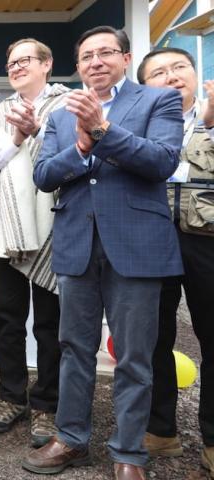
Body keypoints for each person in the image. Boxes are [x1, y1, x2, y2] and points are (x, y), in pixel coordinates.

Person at [23, 27, 183, 480]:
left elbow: (162, 161)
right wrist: (80, 146)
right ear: (78, 66)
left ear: (126, 58)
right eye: (87, 56)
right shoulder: (60, 116)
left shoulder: (158, 101)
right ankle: (71, 439)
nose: (96, 61)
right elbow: (44, 175)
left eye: (106, 52)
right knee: (74, 348)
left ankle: (128, 453)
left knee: (134, 355)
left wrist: (102, 130)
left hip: (137, 246)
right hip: (77, 243)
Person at [0, 38, 69, 447]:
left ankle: (47, 403)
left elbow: (71, 156)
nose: (15, 68)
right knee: (8, 316)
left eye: (24, 60)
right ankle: (12, 397)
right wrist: (16, 139)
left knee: (50, 319)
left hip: (54, 216)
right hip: (6, 221)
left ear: (47, 64)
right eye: (11, 63)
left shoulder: (68, 105)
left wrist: (38, 132)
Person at [138, 47, 214, 475]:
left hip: (207, 240)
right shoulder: (139, 123)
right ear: (145, 85)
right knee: (154, 338)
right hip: (152, 237)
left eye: (179, 68)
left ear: (195, 73)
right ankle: (160, 429)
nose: (171, 77)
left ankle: (213, 440)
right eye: (159, 72)